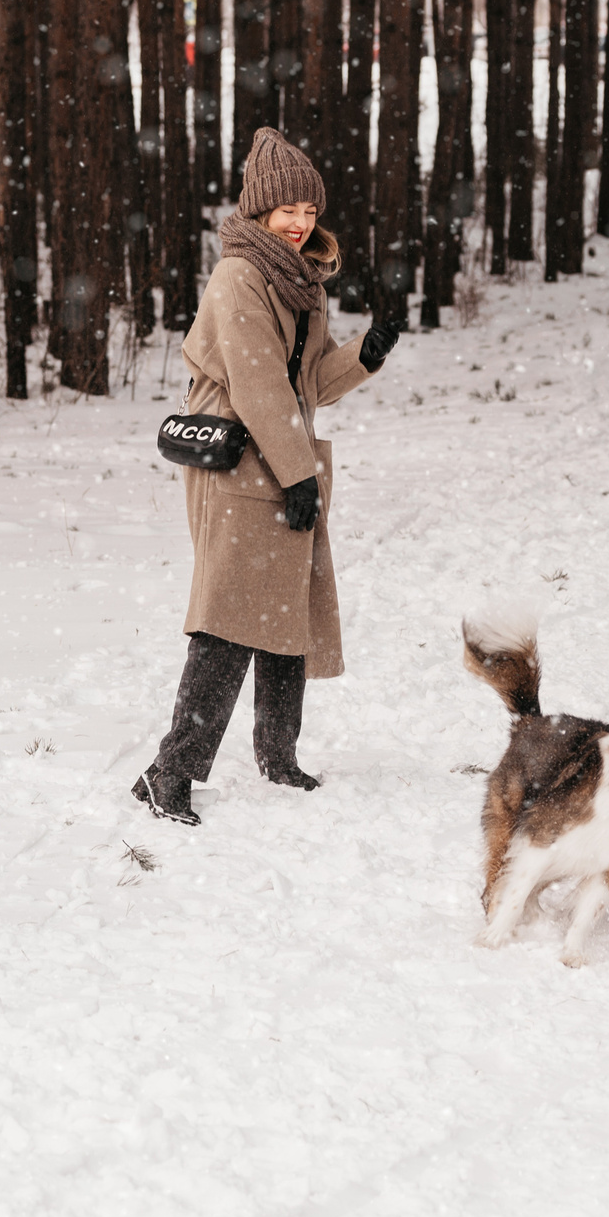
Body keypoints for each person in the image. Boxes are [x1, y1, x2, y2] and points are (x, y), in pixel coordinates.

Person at [132, 129, 398, 826]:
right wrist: (296, 471)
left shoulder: (298, 278)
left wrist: (364, 355)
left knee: (285, 612)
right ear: (258, 211)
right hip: (243, 463)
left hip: (280, 457)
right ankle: (170, 771)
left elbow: (303, 383)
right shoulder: (241, 277)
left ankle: (278, 757)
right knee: (228, 620)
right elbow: (254, 384)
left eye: (310, 209)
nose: (302, 221)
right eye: (288, 209)